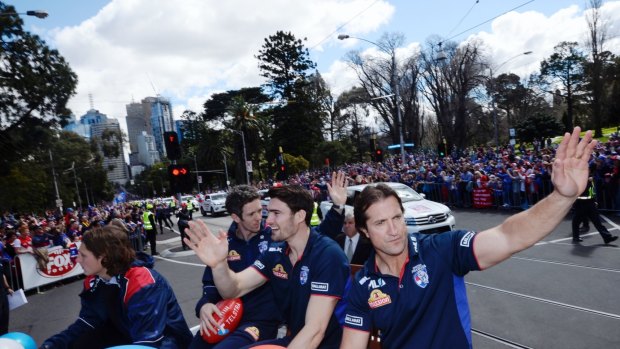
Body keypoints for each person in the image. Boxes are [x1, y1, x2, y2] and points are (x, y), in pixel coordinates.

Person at [340, 127, 604, 348]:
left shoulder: (442, 249)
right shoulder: (363, 284)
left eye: (397, 218)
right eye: (380, 223)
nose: (394, 229)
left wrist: (563, 196)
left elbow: (508, 236)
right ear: (363, 230)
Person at [186, 177, 350, 349]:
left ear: (300, 216)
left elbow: (315, 330)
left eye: (276, 213)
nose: (267, 220)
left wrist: (338, 206)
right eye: (268, 212)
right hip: (294, 340)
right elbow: (233, 289)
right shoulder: (276, 252)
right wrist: (219, 264)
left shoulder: (327, 254)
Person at [40, 222, 192, 349]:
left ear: (104, 257)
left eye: (83, 255)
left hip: (166, 343)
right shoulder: (94, 281)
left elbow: (149, 341)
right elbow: (87, 322)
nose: (77, 260)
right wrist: (51, 345)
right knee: (80, 342)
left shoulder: (142, 281)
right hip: (129, 335)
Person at [571, 167, 618, 244]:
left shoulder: (590, 180)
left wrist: (594, 200)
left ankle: (607, 237)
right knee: (576, 221)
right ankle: (575, 237)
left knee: (597, 221)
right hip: (580, 203)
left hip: (590, 203)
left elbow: (592, 191)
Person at [0, 258, 14, 335]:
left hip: (2, 293)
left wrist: (7, 287)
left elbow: (2, 275)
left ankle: (5, 338)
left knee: (5, 317)